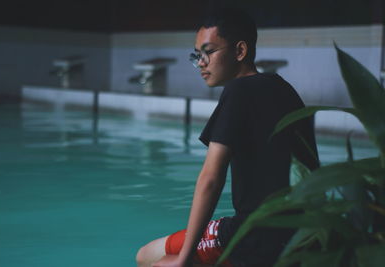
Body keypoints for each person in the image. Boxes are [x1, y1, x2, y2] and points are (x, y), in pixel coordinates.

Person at [136, 7, 319, 267]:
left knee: (147, 257)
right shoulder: (285, 89)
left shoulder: (239, 90)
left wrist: (184, 259)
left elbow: (211, 178)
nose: (201, 62)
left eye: (209, 52)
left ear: (240, 51)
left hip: (253, 236)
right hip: (299, 236)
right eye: (197, 55)